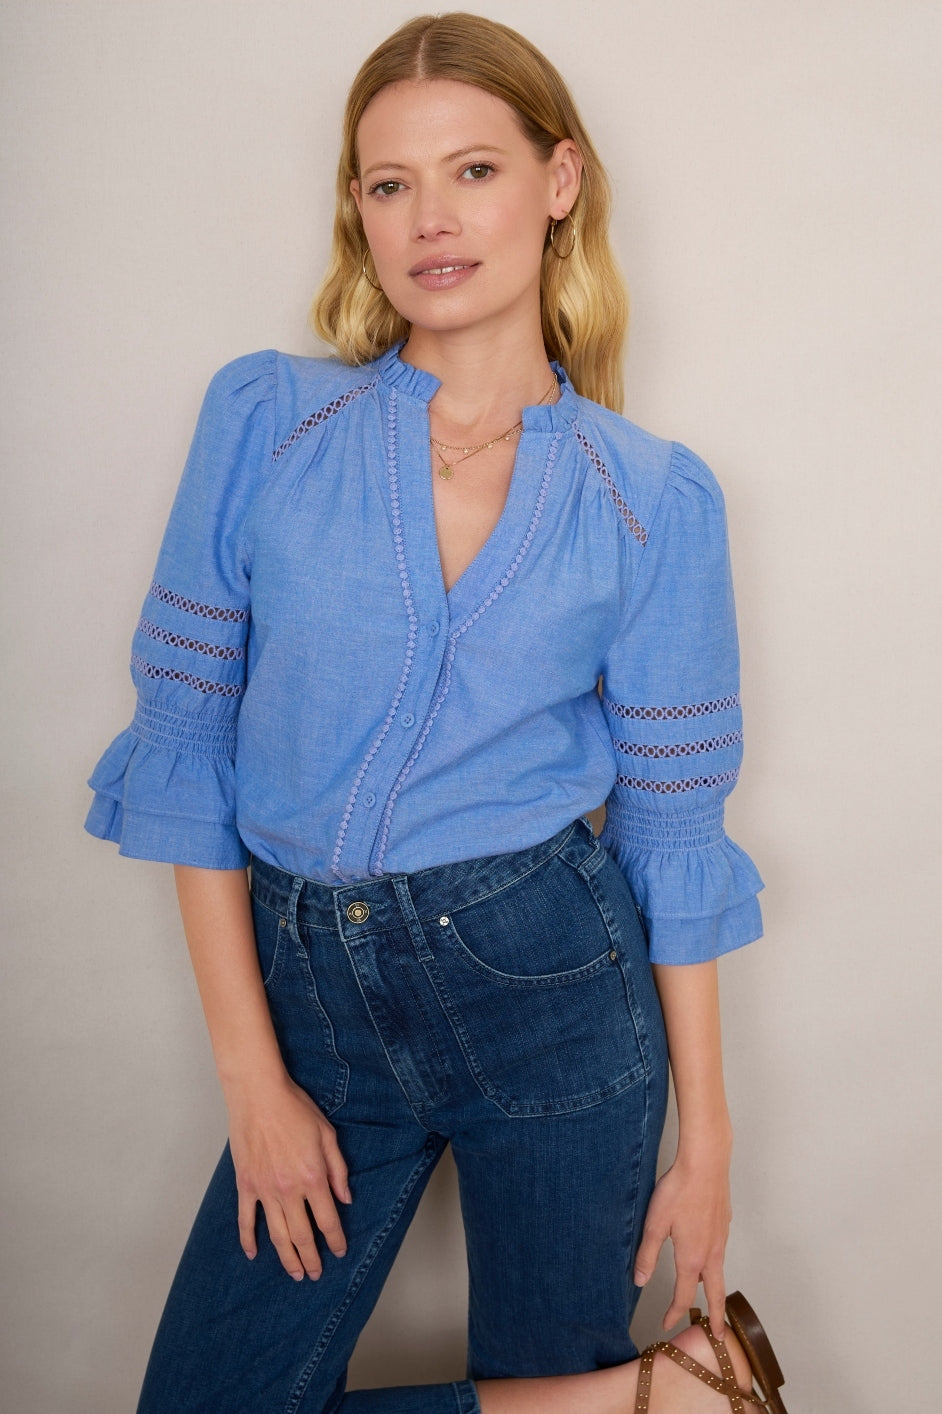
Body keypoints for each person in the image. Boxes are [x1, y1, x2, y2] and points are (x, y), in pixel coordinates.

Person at [85, 13, 786, 1413]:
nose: (430, 220)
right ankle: (659, 1402)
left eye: (473, 170)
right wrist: (253, 1080)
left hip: (554, 998)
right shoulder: (268, 423)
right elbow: (187, 745)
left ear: (559, 180)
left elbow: (672, 834)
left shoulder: (649, 498)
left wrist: (706, 1140)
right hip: (312, 1012)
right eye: (389, 183)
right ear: (357, 207)